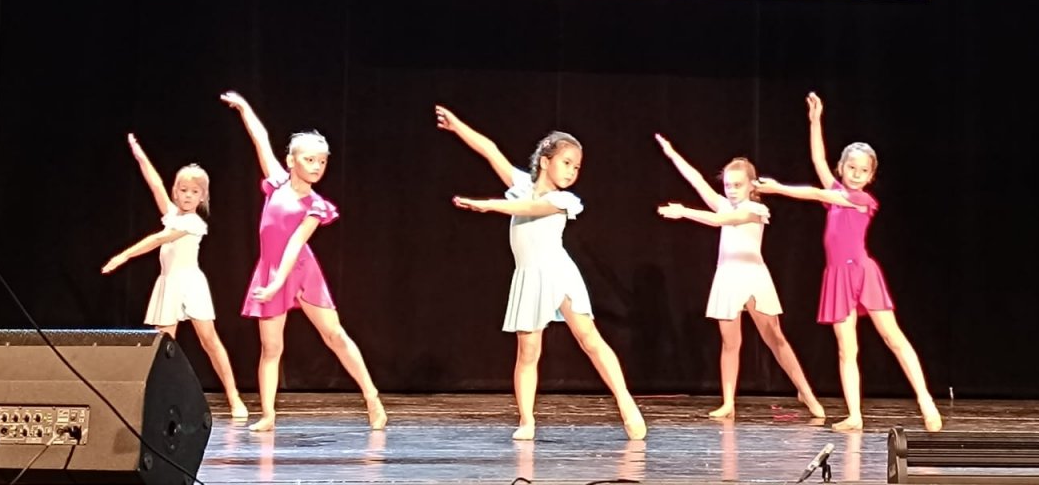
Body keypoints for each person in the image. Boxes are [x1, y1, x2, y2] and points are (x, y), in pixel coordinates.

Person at [437, 104, 646, 441]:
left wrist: (487, 205)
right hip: (529, 277)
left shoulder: (565, 200)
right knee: (528, 351)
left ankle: (626, 404)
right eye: (567, 163)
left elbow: (530, 208)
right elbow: (490, 150)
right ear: (546, 161)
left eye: (577, 167)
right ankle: (527, 420)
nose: (572, 171)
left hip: (558, 271)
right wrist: (457, 125)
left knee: (589, 338)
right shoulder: (522, 183)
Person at [756, 93, 942, 432]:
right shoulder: (838, 193)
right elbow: (818, 160)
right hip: (837, 277)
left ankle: (925, 400)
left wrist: (779, 188)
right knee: (846, 348)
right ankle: (854, 414)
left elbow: (819, 193)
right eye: (851, 168)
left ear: (871, 176)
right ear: (842, 169)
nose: (856, 174)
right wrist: (815, 121)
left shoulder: (860, 199)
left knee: (893, 337)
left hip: (862, 273)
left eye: (863, 170)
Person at [221, 90, 386, 431]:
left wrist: (277, 284)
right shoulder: (276, 183)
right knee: (271, 347)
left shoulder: (315, 205)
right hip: (271, 269)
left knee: (334, 335)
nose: (316, 167)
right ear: (292, 160)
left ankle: (371, 396)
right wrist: (244, 107)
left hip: (300, 270)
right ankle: (268, 414)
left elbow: (295, 244)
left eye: (322, 162)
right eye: (310, 160)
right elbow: (260, 139)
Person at [655, 134, 825, 420]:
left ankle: (806, 393)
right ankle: (728, 402)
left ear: (751, 185)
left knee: (775, 338)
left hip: (753, 276)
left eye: (737, 185)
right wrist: (672, 154)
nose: (731, 191)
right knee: (730, 343)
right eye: (727, 186)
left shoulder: (756, 210)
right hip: (728, 277)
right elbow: (697, 180)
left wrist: (684, 212)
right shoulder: (725, 204)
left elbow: (721, 221)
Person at [102, 133, 247, 419]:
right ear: (176, 191)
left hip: (190, 284)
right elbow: (155, 184)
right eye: (183, 190)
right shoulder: (172, 215)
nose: (188, 195)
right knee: (163, 346)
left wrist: (124, 256)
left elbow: (159, 239)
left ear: (202, 196)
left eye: (194, 191)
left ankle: (234, 397)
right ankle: (158, 400)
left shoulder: (194, 222)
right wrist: (139, 154)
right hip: (168, 284)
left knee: (209, 340)